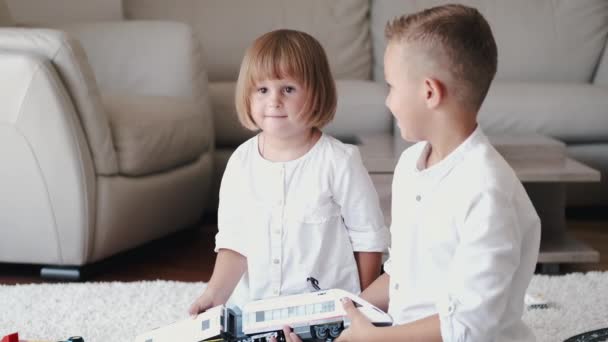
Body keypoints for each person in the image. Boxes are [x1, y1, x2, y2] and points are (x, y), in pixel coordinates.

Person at [189, 29, 389, 316]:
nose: (274, 101)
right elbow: (234, 243)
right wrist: (213, 295)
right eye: (262, 90)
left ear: (317, 93)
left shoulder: (340, 161)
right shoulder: (240, 163)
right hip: (254, 312)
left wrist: (365, 309)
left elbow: (368, 239)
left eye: (288, 89)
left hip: (325, 313)